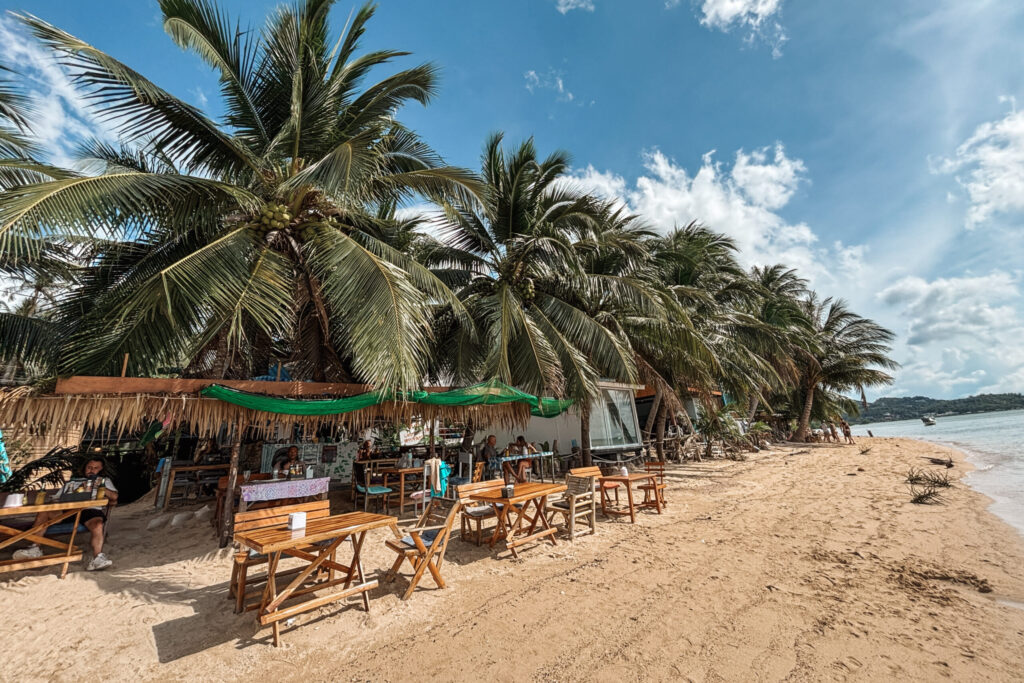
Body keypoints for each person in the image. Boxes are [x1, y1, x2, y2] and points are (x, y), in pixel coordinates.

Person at [14, 457, 118, 571]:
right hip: (68, 509)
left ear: (101, 470)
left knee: (98, 525)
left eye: (95, 468)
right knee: (44, 512)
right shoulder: (73, 481)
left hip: (90, 509)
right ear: (84, 468)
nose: (92, 470)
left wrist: (100, 485)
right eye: (89, 467)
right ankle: (35, 548)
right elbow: (56, 499)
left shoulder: (104, 480)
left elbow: (114, 497)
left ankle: (97, 558)